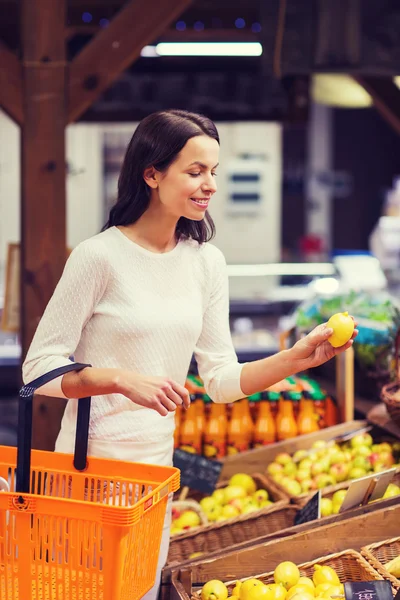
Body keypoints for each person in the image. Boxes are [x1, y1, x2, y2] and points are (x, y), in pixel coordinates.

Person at [22, 109, 357, 599]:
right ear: (152, 173)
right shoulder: (98, 257)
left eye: (213, 172)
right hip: (88, 469)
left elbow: (220, 379)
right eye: (195, 171)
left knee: (138, 591)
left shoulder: (206, 263)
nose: (210, 185)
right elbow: (38, 369)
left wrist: (297, 359)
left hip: (156, 473)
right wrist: (118, 378)